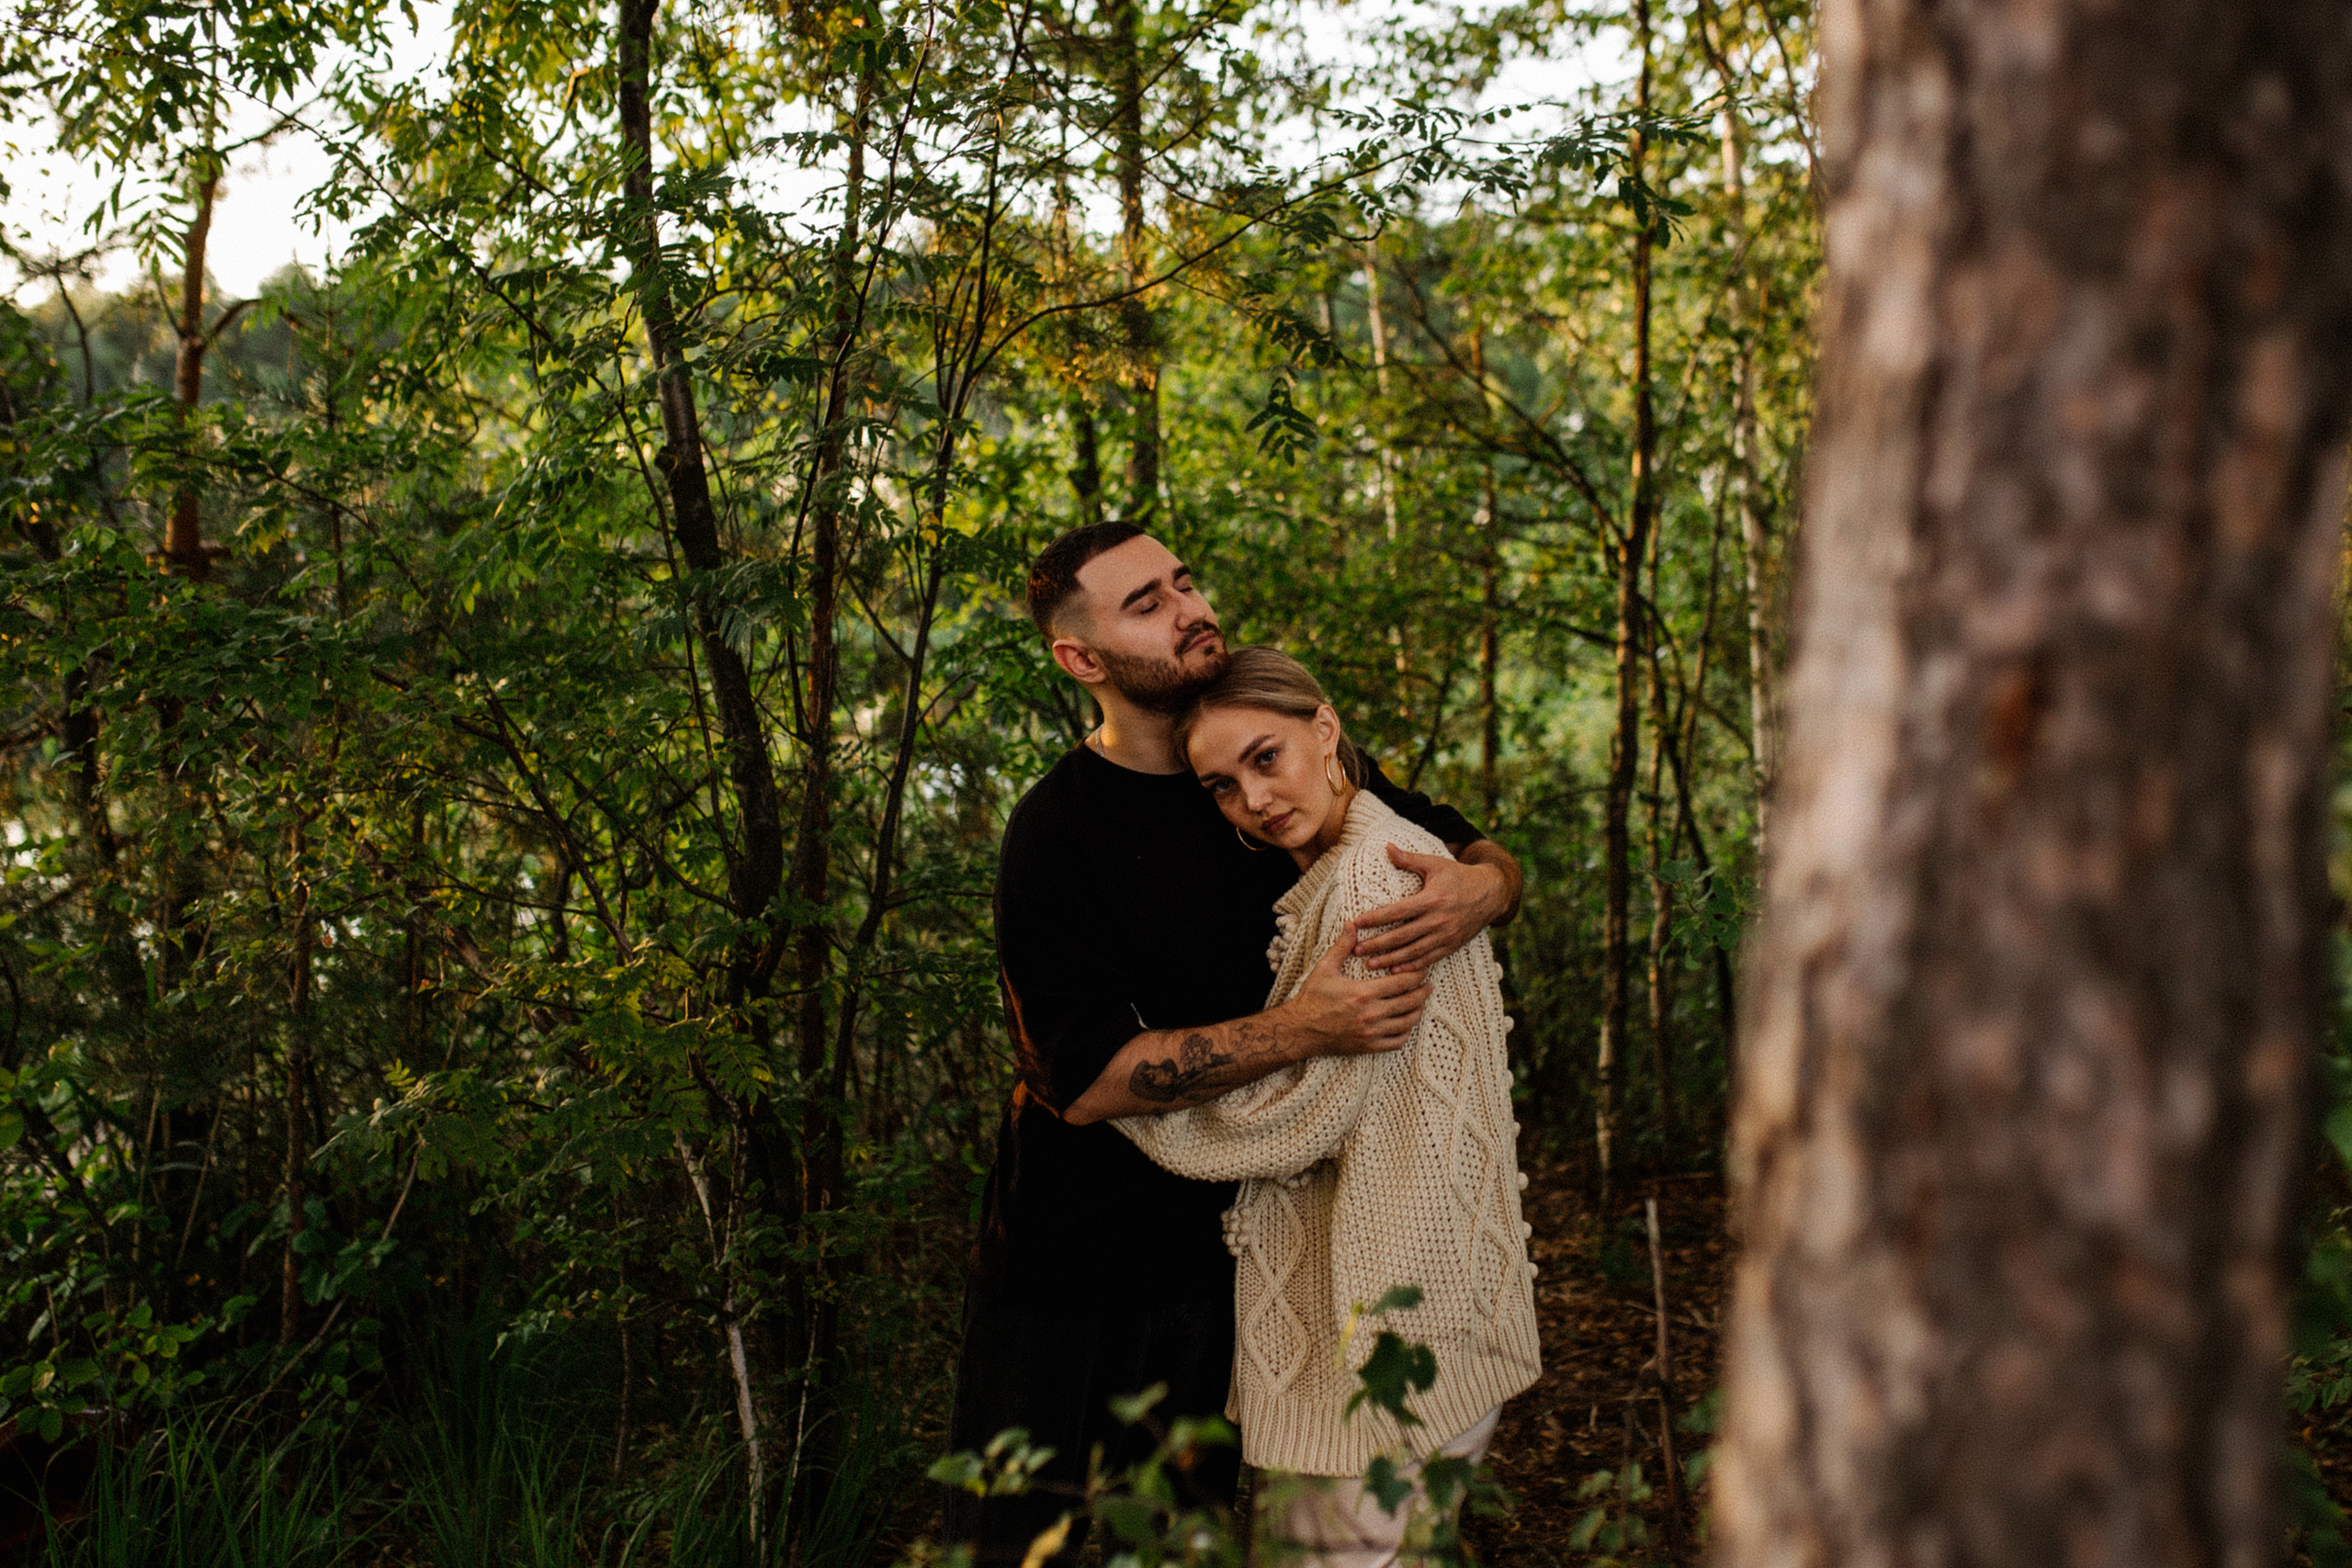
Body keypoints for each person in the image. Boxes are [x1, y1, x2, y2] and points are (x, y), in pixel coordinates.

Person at [944, 522, 1522, 1562]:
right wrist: (1307, 1026)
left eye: (1183, 582)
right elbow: (1084, 1080)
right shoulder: (1057, 830)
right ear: (1080, 657)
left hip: (1226, 1267)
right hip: (1072, 1269)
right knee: (1021, 1547)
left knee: (1190, 1544)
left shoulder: (1274, 768)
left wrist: (1486, 889)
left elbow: (1454, 840)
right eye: (1147, 604)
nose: (1190, 610)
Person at [1115, 647, 1541, 1568]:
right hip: (1444, 1302)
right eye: (1223, 786)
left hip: (1379, 1330)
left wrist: (1122, 1092)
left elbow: (1299, 1118)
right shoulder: (1389, 855)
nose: (1254, 799)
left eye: (1265, 758)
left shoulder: (1370, 883)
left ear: (1325, 729)